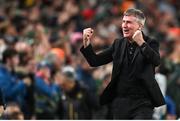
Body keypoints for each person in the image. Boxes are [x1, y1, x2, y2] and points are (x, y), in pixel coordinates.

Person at [80, 8, 165, 119]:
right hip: (120, 102)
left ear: (140, 26)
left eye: (129, 22)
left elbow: (156, 61)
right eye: (123, 21)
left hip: (142, 102)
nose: (124, 25)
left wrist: (142, 43)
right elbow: (94, 61)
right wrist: (86, 43)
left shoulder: (151, 43)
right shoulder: (118, 44)